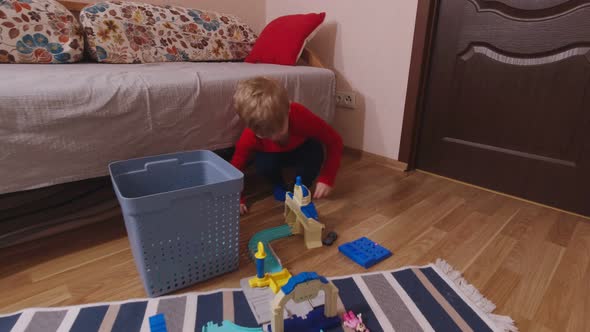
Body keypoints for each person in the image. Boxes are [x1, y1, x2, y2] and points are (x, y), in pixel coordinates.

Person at [231, 77, 343, 215]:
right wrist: (238, 198)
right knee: (263, 163)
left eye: (279, 129)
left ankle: (302, 185)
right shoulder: (249, 136)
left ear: (288, 109)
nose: (274, 137)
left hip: (301, 149)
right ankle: (278, 184)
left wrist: (327, 177)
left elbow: (334, 141)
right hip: (271, 156)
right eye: (265, 135)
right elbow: (235, 168)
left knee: (315, 150)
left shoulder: (301, 116)